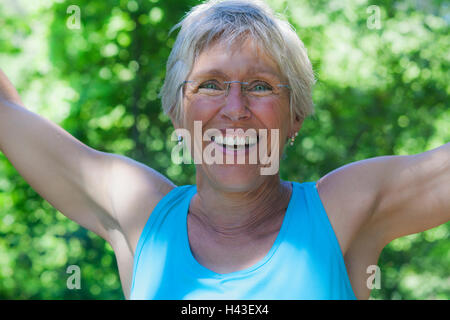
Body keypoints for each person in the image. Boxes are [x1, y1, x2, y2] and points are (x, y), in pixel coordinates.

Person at [0, 0, 448, 300]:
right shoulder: (140, 213)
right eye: (211, 85)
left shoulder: (341, 210)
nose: (235, 109)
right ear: (177, 112)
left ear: (296, 116)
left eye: (260, 86)